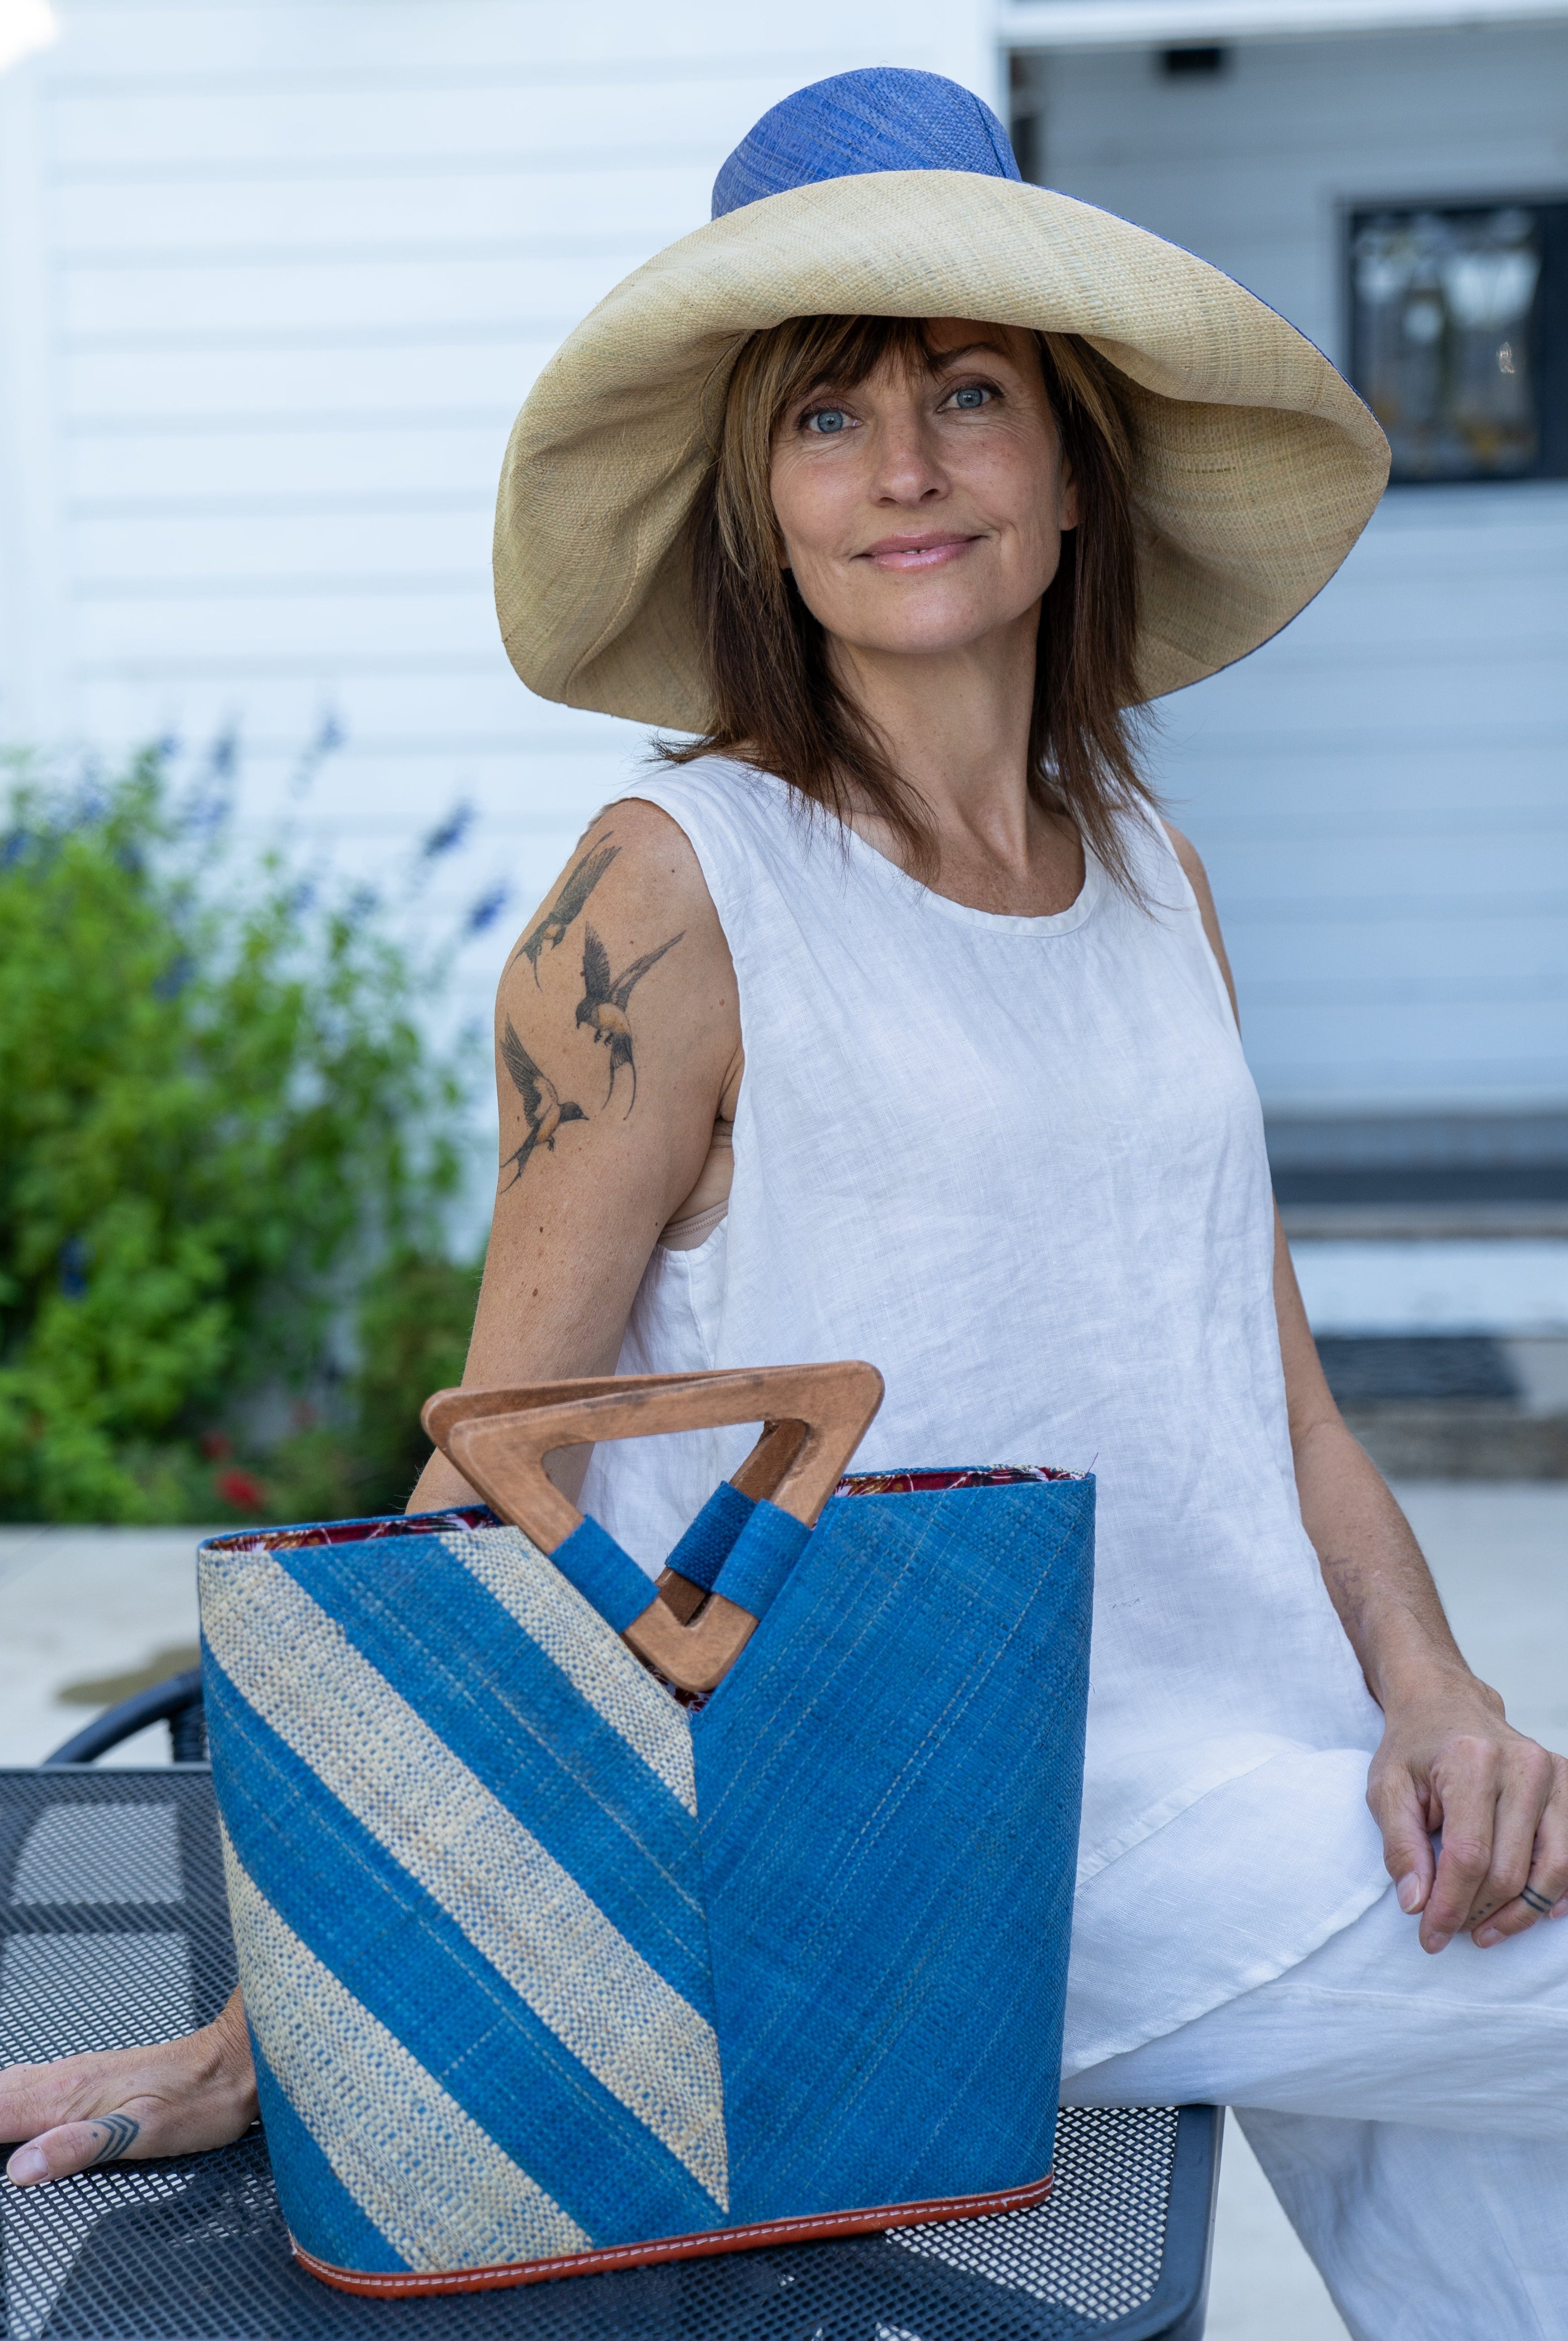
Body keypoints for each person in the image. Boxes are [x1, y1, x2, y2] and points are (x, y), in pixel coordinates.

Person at [5, 67, 1566, 2339]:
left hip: (1285, 1806)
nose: (906, 469)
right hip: (876, 1864)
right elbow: (499, 1471)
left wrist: (1438, 1694)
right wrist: (330, 2012)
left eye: (967, 395)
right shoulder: (667, 895)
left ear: (1071, 467)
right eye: (826, 421)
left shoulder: (1157, 883)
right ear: (754, 508)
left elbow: (1281, 1402)